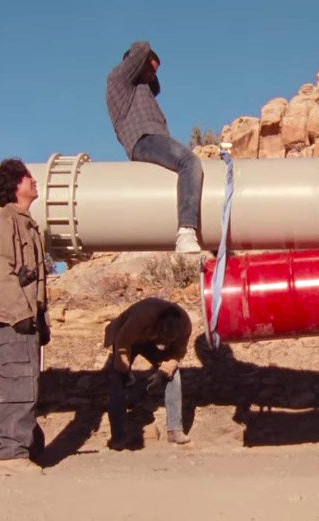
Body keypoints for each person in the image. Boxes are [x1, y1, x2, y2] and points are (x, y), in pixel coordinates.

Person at [0, 158, 49, 476]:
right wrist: (20, 313)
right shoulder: (4, 220)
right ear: (15, 184)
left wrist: (41, 318)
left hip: (23, 317)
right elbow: (1, 270)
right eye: (27, 176)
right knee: (21, 386)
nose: (34, 180)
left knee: (13, 385)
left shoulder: (24, 222)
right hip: (12, 318)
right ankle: (11, 455)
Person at [106, 40, 204, 254]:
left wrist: (148, 71)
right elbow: (142, 47)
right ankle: (186, 231)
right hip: (144, 139)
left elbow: (156, 88)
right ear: (137, 63)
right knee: (189, 161)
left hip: (150, 140)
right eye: (151, 71)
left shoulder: (138, 89)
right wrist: (141, 59)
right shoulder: (119, 80)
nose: (153, 77)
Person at [104, 298, 193, 449]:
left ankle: (175, 430)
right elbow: (122, 345)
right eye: (165, 335)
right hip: (124, 338)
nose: (167, 341)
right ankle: (118, 437)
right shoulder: (143, 315)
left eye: (170, 339)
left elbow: (176, 354)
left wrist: (163, 372)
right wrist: (124, 371)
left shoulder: (185, 326)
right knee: (117, 379)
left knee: (174, 375)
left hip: (149, 341)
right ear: (158, 324)